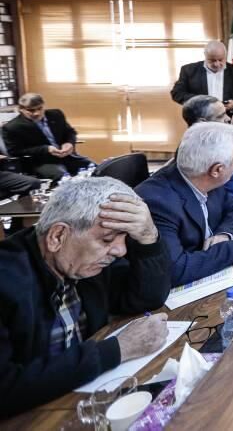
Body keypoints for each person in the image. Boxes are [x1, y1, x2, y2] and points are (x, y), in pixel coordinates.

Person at [0, 177, 171, 417]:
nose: (120, 250)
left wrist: (148, 237)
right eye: (107, 239)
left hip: (80, 399)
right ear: (57, 236)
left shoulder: (82, 261)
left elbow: (146, 298)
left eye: (125, 238)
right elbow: (6, 389)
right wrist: (117, 349)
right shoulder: (7, 280)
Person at [136, 122, 233, 286]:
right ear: (217, 170)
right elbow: (177, 269)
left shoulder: (202, 174)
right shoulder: (157, 202)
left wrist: (224, 235)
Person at [2, 93, 93, 181]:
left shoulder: (56, 114)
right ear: (21, 109)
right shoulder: (12, 127)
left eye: (40, 108)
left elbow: (70, 132)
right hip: (41, 162)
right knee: (63, 178)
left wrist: (69, 143)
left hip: (67, 157)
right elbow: (15, 151)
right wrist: (45, 149)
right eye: (31, 110)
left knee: (96, 169)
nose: (37, 113)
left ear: (43, 106)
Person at [170, 40, 233, 115]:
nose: (217, 64)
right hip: (199, 119)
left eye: (220, 60)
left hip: (229, 119)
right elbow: (177, 93)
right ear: (205, 56)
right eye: (212, 60)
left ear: (225, 56)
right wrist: (201, 102)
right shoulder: (189, 70)